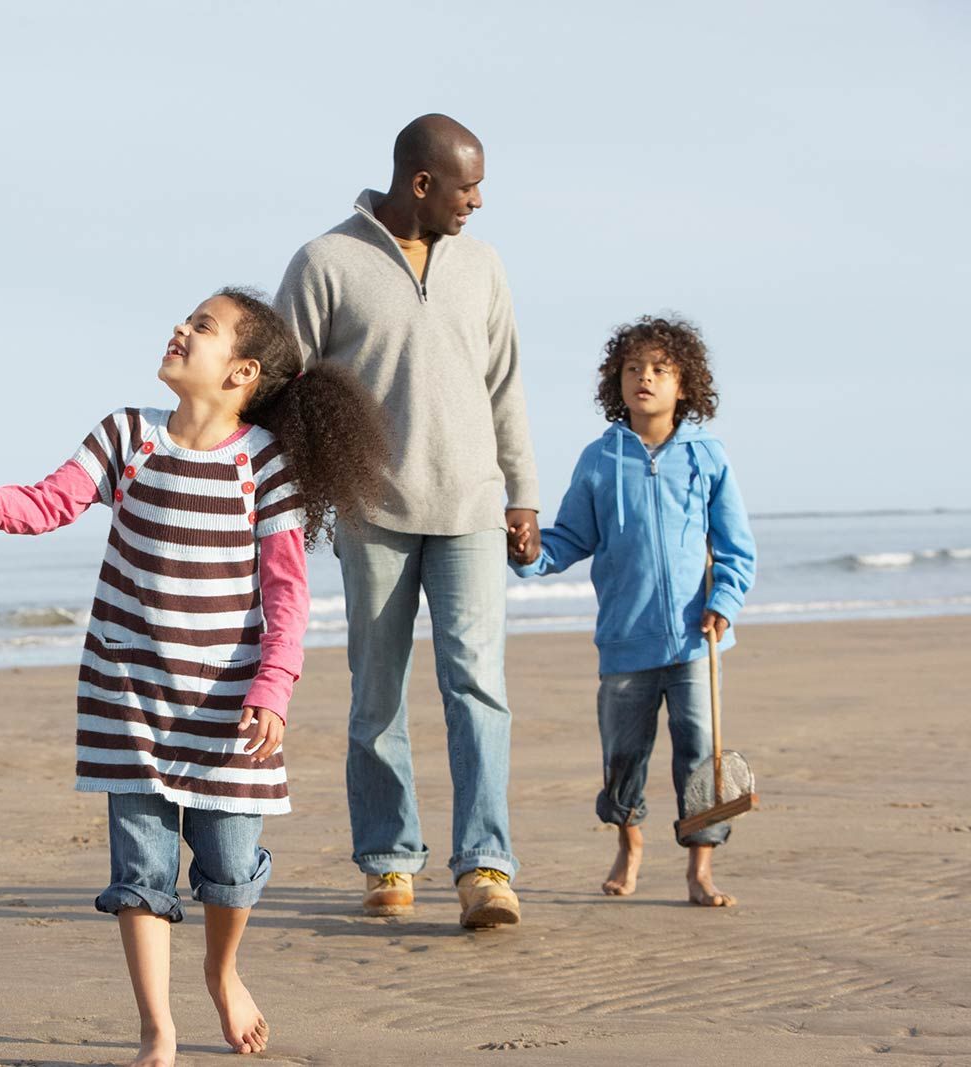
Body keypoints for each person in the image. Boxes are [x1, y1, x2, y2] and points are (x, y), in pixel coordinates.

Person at [0, 288, 387, 1066]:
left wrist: (273, 684)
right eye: (187, 318)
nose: (181, 328)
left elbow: (287, 591)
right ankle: (157, 1030)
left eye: (202, 326)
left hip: (231, 707)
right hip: (128, 698)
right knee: (141, 875)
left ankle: (221, 968)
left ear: (241, 371)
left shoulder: (263, 465)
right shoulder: (126, 437)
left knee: (231, 870)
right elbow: (45, 504)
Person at [274, 114, 538, 926]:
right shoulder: (326, 262)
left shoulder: (484, 267)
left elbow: (505, 386)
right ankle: (389, 860)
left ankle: (485, 867)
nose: (480, 201)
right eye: (468, 186)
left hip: (470, 510)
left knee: (477, 686)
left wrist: (521, 493)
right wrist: (290, 492)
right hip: (371, 513)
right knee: (377, 692)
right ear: (421, 183)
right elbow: (284, 387)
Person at [511, 315, 755, 907]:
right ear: (615, 382)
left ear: (683, 385)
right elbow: (570, 538)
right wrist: (530, 551)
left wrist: (723, 601)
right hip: (624, 641)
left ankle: (700, 868)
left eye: (659, 370)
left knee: (700, 757)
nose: (644, 378)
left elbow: (736, 547)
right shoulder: (600, 460)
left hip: (695, 645)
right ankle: (630, 840)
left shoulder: (708, 458)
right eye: (632, 369)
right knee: (623, 757)